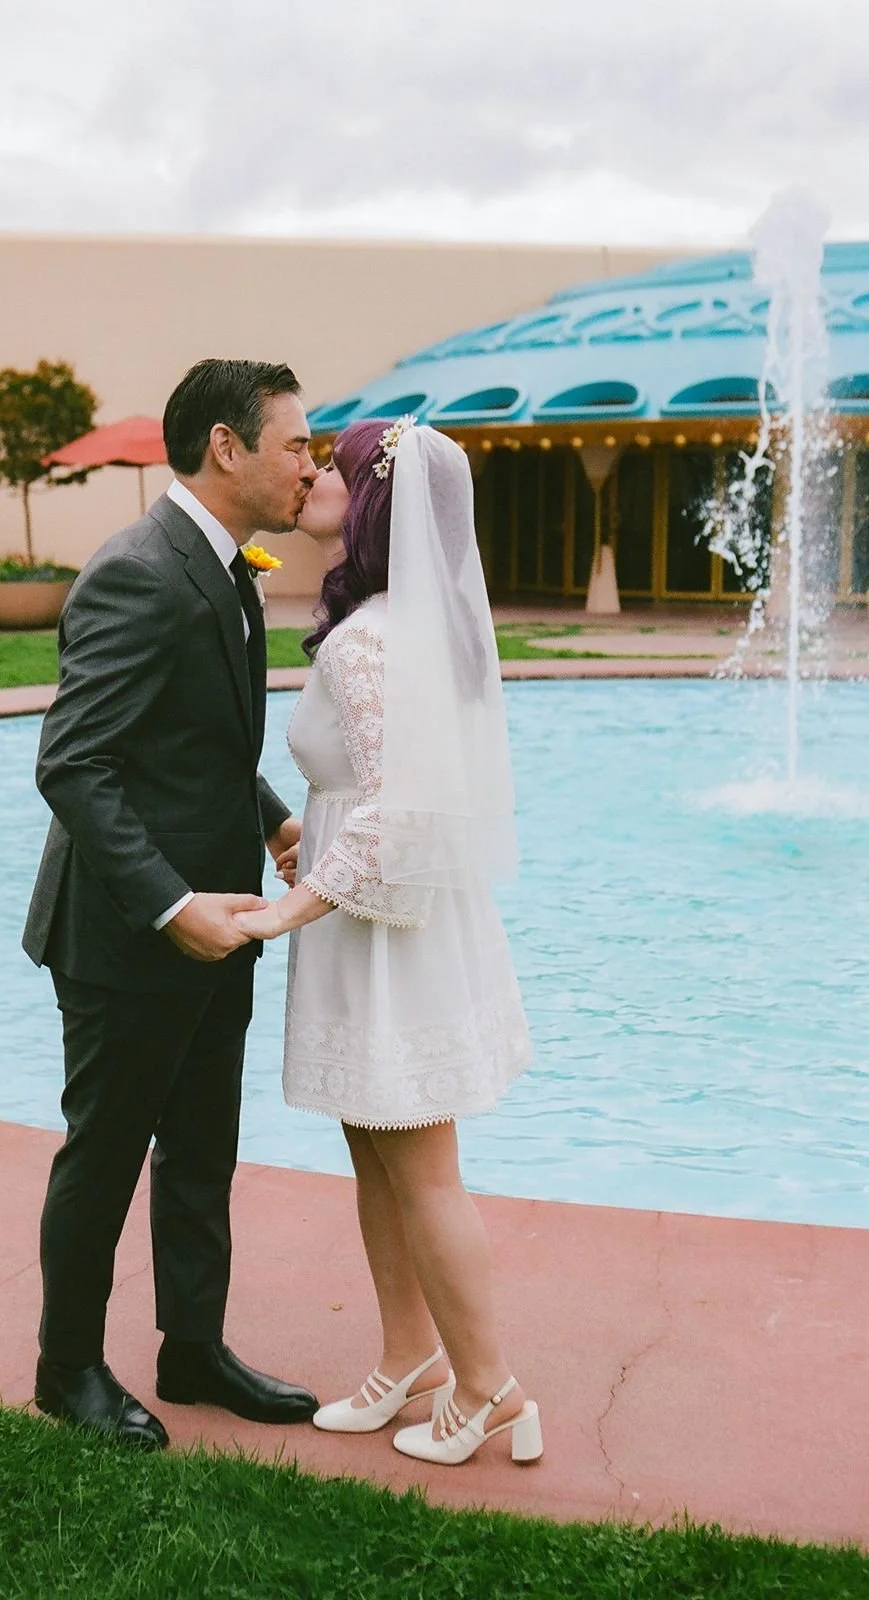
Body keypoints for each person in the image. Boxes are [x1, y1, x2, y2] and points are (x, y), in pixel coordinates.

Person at [22, 358, 320, 1449]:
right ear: (225, 447)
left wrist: (272, 816)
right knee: (102, 1154)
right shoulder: (138, 571)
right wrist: (167, 907)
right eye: (294, 441)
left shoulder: (222, 566)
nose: (310, 460)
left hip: (221, 924)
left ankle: (191, 1349)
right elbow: (75, 763)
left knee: (201, 1150)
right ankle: (67, 1370)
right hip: (124, 935)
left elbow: (191, 738)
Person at [234, 418, 542, 1466]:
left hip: (379, 932)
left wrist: (291, 903)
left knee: (420, 1167)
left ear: (368, 501)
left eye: (334, 466)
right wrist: (302, 838)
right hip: (379, 922)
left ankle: (490, 1385)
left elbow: (392, 808)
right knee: (372, 1150)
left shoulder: (370, 640)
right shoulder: (402, 623)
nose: (315, 475)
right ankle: (408, 1352)